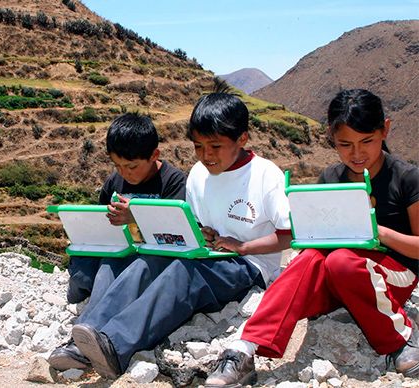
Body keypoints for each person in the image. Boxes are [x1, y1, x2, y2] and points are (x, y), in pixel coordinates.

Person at [52, 92, 292, 379]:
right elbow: (193, 223)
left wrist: (243, 246)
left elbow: (290, 235)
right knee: (145, 262)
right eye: (199, 146)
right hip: (207, 255)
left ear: (242, 139)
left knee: (182, 273)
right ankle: (80, 345)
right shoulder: (198, 175)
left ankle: (115, 346)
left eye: (215, 146)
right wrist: (201, 234)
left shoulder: (266, 175)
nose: (206, 155)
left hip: (247, 265)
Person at [205, 89, 419, 387]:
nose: (356, 154)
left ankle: (402, 337)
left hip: (393, 273)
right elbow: (314, 238)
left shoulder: (407, 178)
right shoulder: (331, 178)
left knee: (342, 260)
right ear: (332, 139)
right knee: (309, 257)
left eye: (366, 141)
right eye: (345, 144)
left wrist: (377, 232)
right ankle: (244, 348)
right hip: (338, 277)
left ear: (385, 129)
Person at [49, 112, 187, 370]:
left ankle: (83, 340)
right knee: (98, 265)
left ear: (154, 156)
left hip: (154, 260)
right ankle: (86, 329)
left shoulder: (174, 182)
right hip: (120, 252)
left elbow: (177, 236)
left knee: (109, 268)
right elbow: (103, 219)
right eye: (117, 166)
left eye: (132, 166)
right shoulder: (115, 181)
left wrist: (135, 218)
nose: (125, 173)